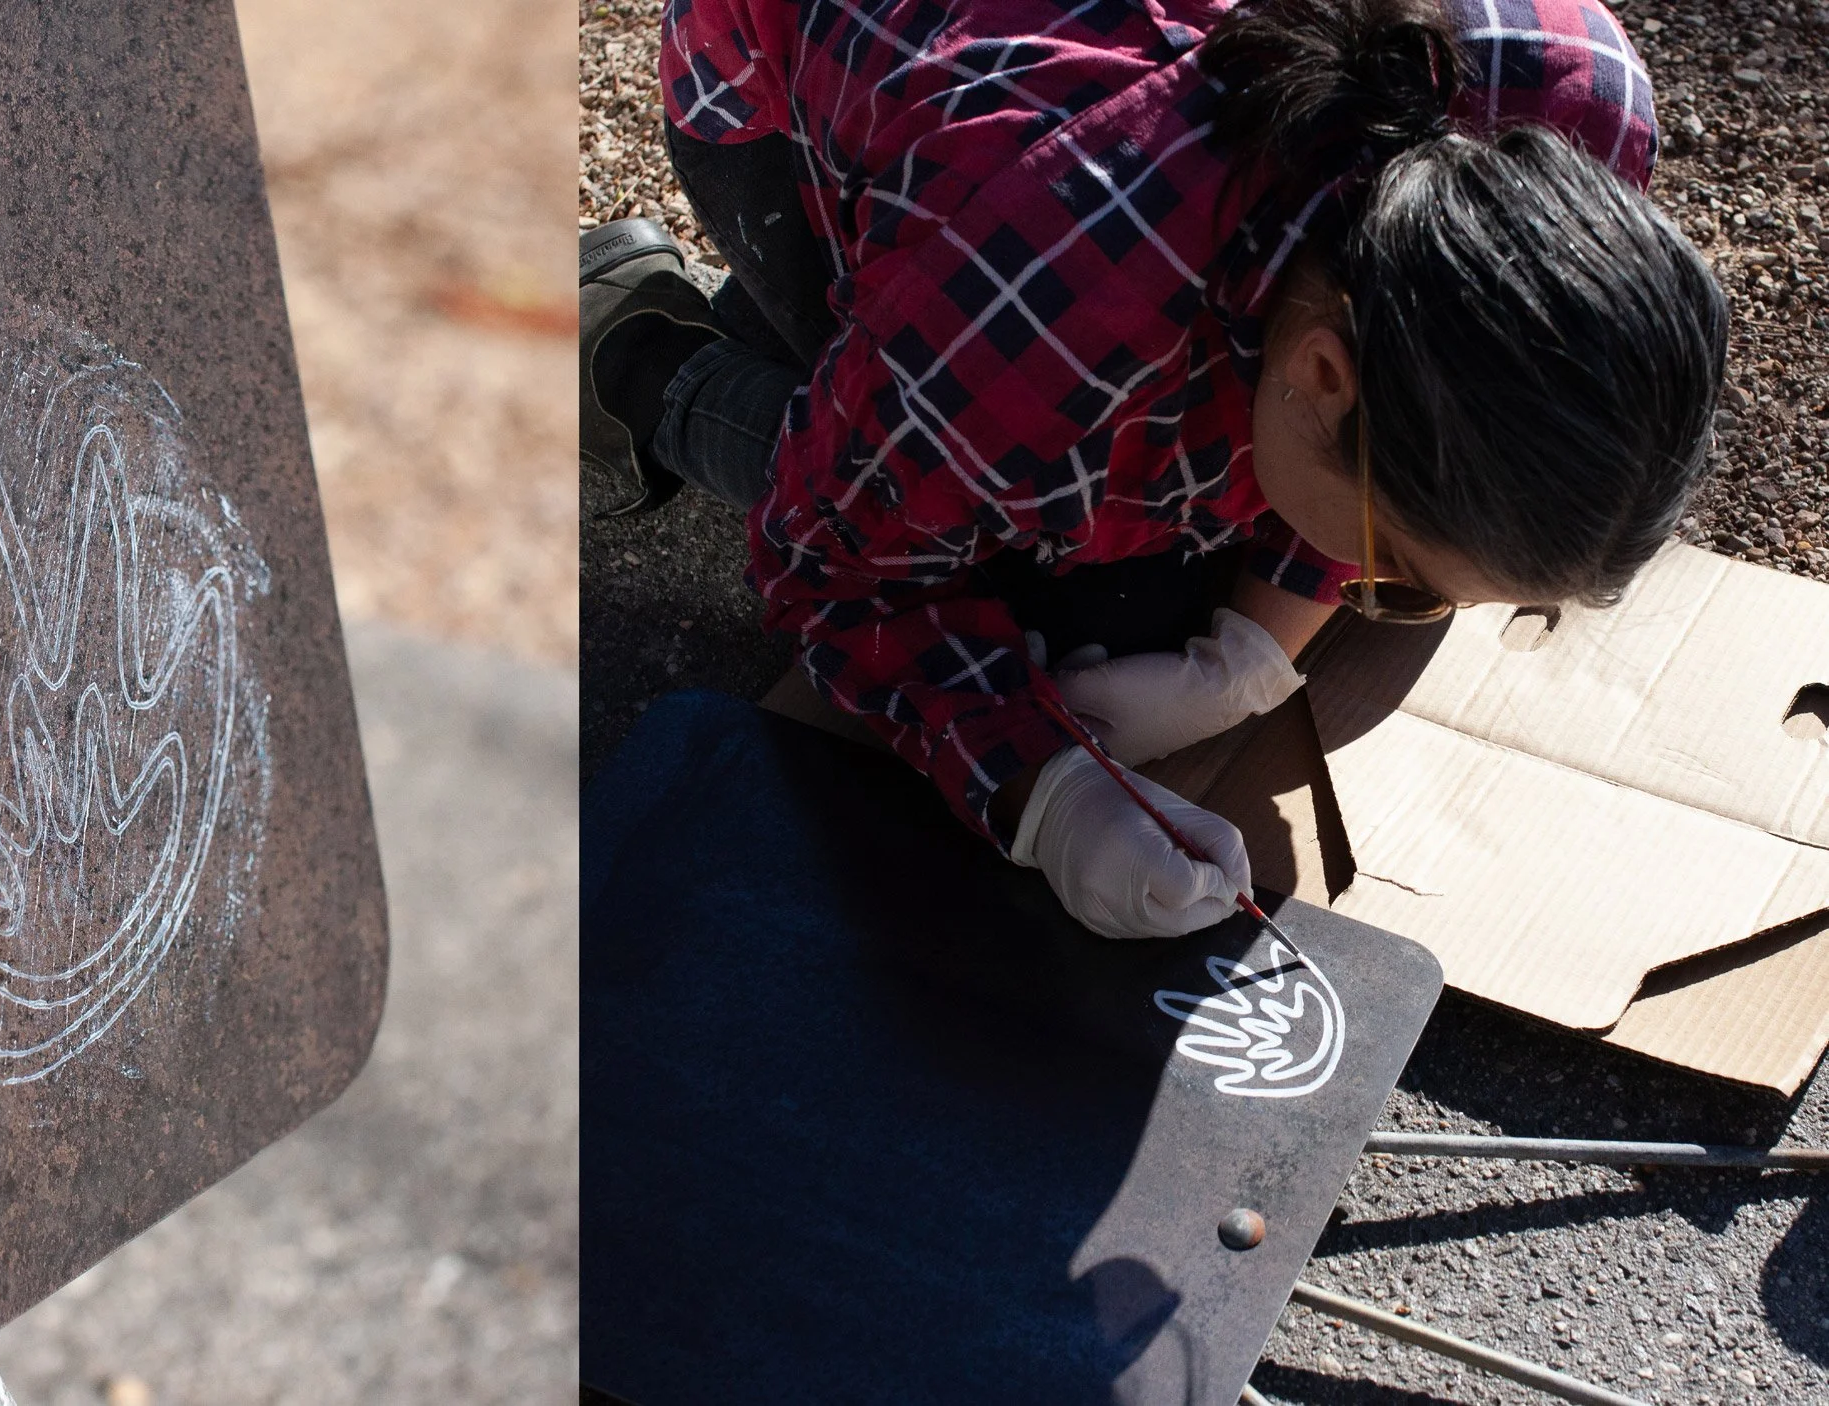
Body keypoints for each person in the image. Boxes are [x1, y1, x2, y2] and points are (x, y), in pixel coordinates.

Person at [579, 0, 1726, 940]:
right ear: (1324, 374)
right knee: (1055, 603)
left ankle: (848, 326)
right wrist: (1044, 794)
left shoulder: (1575, 101)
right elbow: (831, 562)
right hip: (779, 75)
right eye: (1397, 570)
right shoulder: (1043, 304)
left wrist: (1248, 658)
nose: (1383, 598)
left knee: (1062, 529)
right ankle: (631, 352)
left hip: (994, 181)